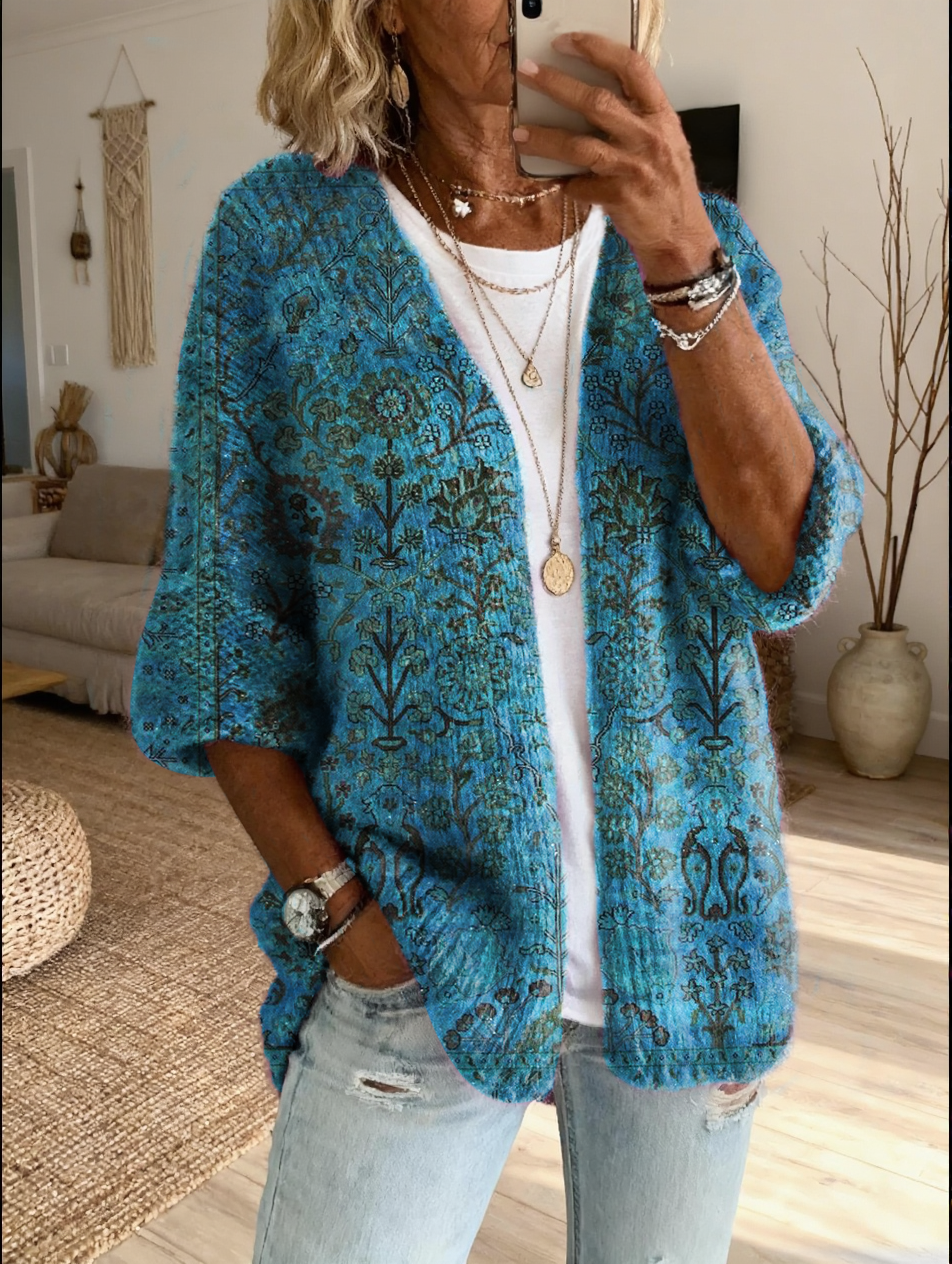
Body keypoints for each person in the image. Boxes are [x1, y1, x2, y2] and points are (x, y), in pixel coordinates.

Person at [130, 1, 863, 1260]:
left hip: (687, 935)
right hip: (418, 943)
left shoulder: (697, 240)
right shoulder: (280, 244)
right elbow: (219, 635)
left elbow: (783, 562)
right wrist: (338, 916)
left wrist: (681, 253)